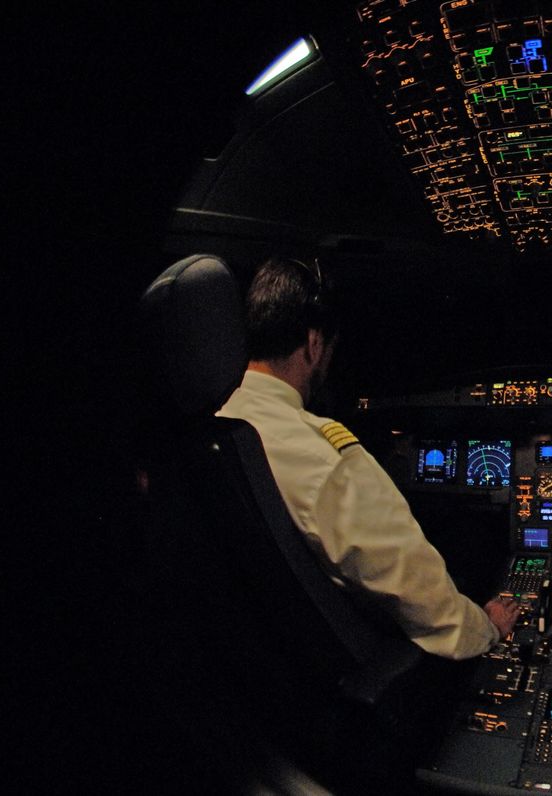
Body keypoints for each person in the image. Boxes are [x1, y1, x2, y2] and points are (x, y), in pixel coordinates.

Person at [218, 256, 519, 659]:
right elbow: (429, 607)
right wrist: (487, 627)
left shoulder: (217, 422)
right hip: (348, 669)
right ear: (313, 344)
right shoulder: (326, 460)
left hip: (258, 655)